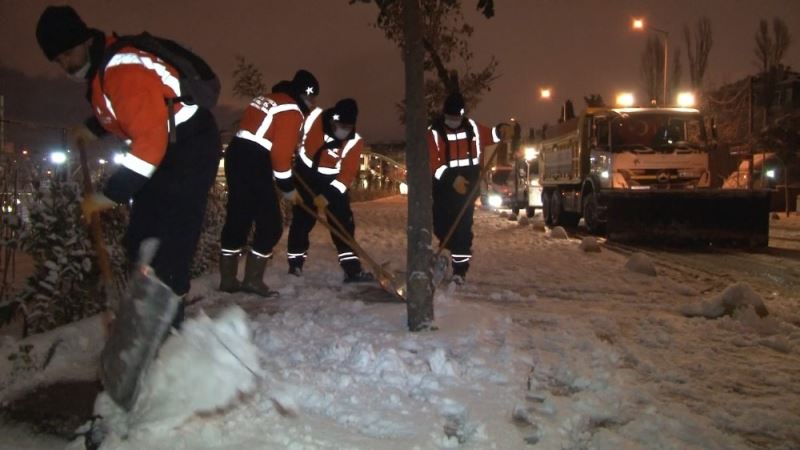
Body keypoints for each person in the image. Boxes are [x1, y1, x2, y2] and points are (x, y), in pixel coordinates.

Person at [35, 5, 221, 326]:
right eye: (58, 60)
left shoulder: (120, 69)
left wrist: (111, 194)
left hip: (189, 148)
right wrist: (94, 127)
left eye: (67, 53)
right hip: (170, 146)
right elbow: (131, 110)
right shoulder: (104, 66)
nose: (64, 64)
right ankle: (147, 313)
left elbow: (149, 144)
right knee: (141, 237)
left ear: (82, 41)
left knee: (170, 242)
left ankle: (166, 328)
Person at [218, 70, 319, 296]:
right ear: (304, 95)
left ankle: (228, 279)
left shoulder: (268, 98)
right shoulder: (292, 110)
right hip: (255, 159)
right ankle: (253, 280)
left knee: (239, 216)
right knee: (271, 224)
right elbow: (280, 157)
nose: (312, 105)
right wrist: (288, 189)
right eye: (312, 99)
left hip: (236, 154)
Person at [286, 98, 374, 282]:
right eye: (341, 125)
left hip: (332, 183)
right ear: (333, 120)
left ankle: (352, 269)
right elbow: (291, 130)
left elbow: (347, 175)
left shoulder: (354, 141)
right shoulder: (313, 117)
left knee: (343, 224)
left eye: (348, 127)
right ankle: (295, 264)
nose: (344, 130)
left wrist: (328, 196)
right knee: (302, 221)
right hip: (305, 176)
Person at [427, 92, 509, 284]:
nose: (453, 121)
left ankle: (460, 270)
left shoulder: (473, 127)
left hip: (468, 190)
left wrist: (501, 130)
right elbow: (434, 164)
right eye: (449, 117)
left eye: (456, 117)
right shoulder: (434, 132)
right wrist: (451, 179)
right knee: (442, 228)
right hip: (444, 190)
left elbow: (491, 135)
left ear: (462, 115)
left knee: (463, 230)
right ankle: (448, 251)